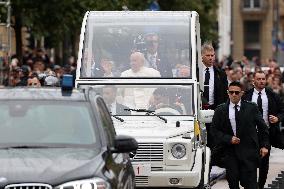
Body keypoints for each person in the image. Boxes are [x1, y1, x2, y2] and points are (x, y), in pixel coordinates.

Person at [211, 81, 269, 189]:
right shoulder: (220, 110)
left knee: (250, 185)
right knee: (233, 184)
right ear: (228, 93)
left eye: (236, 93)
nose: (234, 95)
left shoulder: (251, 108)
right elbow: (214, 131)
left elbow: (263, 127)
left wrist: (264, 145)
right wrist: (228, 139)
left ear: (242, 93)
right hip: (230, 154)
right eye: (231, 92)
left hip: (249, 152)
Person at [242, 70, 284, 189]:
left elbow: (282, 110)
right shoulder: (247, 95)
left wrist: (277, 118)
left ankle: (260, 186)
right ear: (253, 81)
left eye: (263, 79)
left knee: (264, 163)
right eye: (259, 79)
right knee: (250, 161)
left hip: (267, 133)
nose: (261, 81)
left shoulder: (272, 95)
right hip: (250, 134)